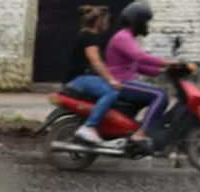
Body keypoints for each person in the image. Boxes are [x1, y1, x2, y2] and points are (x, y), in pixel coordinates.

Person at [104, 2, 178, 149]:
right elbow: (140, 57)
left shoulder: (127, 38)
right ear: (136, 21)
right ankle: (141, 134)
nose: (146, 25)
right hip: (121, 83)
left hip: (125, 81)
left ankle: (139, 130)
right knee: (160, 94)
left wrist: (162, 71)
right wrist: (167, 62)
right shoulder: (122, 37)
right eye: (145, 22)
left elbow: (138, 66)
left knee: (157, 92)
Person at [64, 7, 120, 145]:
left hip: (82, 78)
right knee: (111, 92)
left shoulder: (87, 35)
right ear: (99, 21)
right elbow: (96, 63)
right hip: (79, 79)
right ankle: (89, 126)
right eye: (106, 20)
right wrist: (111, 80)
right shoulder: (89, 37)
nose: (108, 23)